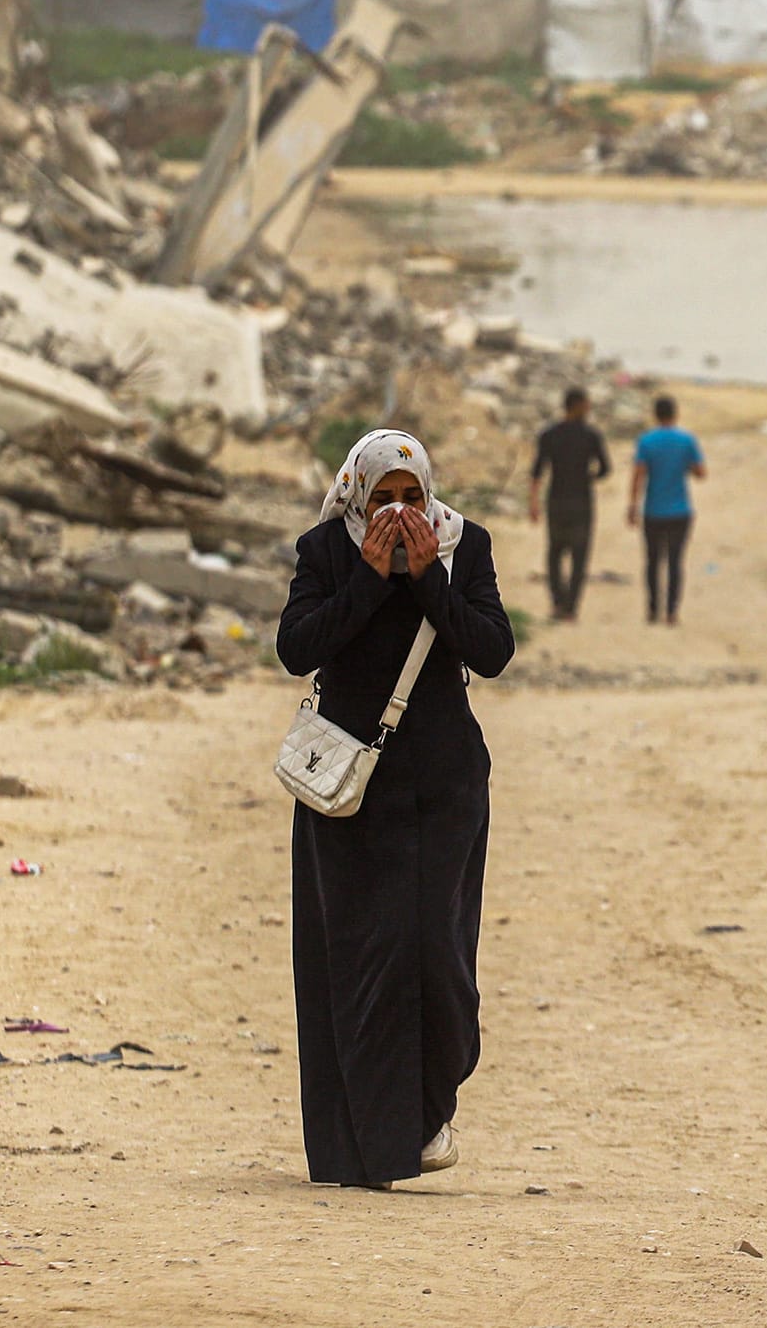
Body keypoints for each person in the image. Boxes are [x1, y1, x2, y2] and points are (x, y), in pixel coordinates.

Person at [276, 429, 516, 1189]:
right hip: (350, 789)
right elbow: (297, 649)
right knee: (356, 960)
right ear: (356, 494)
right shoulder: (324, 551)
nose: (400, 513)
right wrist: (369, 579)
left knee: (438, 955)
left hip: (445, 785)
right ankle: (363, 1151)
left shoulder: (463, 547)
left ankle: (429, 1112)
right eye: (382, 499)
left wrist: (428, 579)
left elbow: (493, 650)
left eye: (413, 497)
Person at [528, 387, 610, 622]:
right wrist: (589, 477)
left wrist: (533, 502)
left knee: (555, 552)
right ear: (578, 406)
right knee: (579, 556)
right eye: (586, 405)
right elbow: (605, 468)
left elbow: (537, 471)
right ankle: (571, 608)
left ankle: (557, 602)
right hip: (582, 502)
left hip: (556, 500)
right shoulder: (591, 435)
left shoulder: (549, 434)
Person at [628, 395, 705, 626]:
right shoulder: (687, 440)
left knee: (653, 561)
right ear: (675, 414)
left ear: (655, 415)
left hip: (653, 510)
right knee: (675, 562)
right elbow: (700, 473)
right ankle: (671, 612)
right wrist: (683, 466)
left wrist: (633, 506)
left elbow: (638, 475)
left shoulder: (646, 441)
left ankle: (653, 610)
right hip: (680, 510)